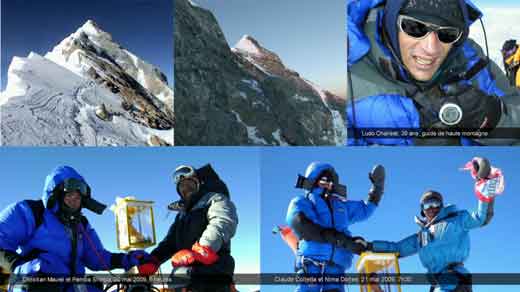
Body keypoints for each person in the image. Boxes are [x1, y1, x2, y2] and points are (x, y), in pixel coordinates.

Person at [347, 0, 520, 146]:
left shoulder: (470, 58)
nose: (431, 48)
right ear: (390, 21)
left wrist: (495, 118)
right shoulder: (347, 66)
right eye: (414, 27)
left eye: (447, 33)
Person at [357, 157, 502, 292]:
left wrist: (486, 191)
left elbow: (480, 217)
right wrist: (368, 246)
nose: (432, 208)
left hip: (455, 280)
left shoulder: (456, 220)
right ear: (422, 211)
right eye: (427, 205)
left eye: (435, 203)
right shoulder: (421, 237)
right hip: (438, 284)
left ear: (441, 206)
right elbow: (397, 248)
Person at [0, 165, 147, 292]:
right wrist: (19, 267)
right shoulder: (31, 211)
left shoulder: (81, 224)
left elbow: (96, 257)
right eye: (69, 195)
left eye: (78, 197)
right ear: (57, 194)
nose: (74, 201)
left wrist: (125, 259)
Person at [136, 164, 238, 292]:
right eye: (182, 187)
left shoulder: (215, 199)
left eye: (189, 184)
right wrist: (154, 259)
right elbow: (170, 242)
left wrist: (203, 248)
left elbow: (222, 221)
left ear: (199, 183)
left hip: (214, 271)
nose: (186, 188)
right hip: (184, 276)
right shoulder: (182, 215)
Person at [285, 162, 385, 292]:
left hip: (336, 267)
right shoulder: (302, 202)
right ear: (313, 181)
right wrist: (342, 240)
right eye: (324, 180)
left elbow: (366, 210)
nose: (329, 184)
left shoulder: (341, 206)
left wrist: (377, 188)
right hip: (312, 262)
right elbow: (301, 225)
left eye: (332, 181)